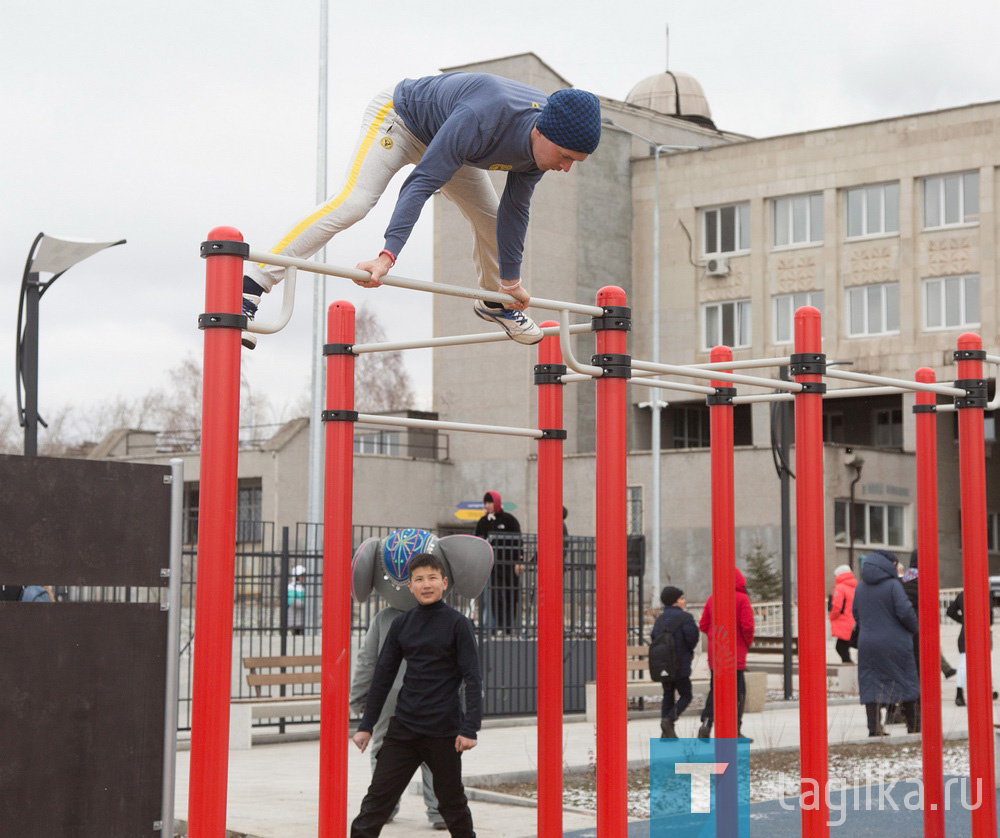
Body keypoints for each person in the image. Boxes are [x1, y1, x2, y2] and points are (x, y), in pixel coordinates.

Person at [241, 72, 603, 350]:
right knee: (356, 202)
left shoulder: (541, 153)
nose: (566, 168)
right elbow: (421, 182)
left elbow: (514, 213)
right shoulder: (484, 117)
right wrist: (387, 256)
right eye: (566, 157)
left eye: (576, 162)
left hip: (454, 143)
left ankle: (495, 302)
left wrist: (510, 282)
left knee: (492, 219)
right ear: (541, 131)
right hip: (401, 120)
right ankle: (253, 282)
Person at [351, 552, 482, 837]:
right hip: (404, 730)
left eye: (432, 578)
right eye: (419, 579)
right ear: (409, 586)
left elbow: (473, 678)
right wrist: (366, 726)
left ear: (444, 583)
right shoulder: (401, 624)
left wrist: (470, 728)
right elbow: (382, 677)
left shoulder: (458, 624)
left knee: (453, 807)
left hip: (444, 732)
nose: (426, 584)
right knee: (374, 805)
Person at [350, 605, 445, 830]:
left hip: (389, 693)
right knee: (434, 747)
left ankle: (385, 807)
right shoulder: (444, 616)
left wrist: (357, 695)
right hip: (430, 692)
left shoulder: (384, 617)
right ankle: (439, 810)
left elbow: (367, 659)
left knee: (384, 748)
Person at [852, 549, 920, 736]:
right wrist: (914, 628)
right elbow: (905, 612)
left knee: (871, 683)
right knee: (906, 681)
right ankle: (913, 726)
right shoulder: (893, 585)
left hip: (867, 643)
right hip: (896, 642)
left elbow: (856, 614)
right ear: (889, 565)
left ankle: (874, 729)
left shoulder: (860, 586)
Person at [697, 567, 756, 741]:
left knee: (715, 690)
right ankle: (735, 729)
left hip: (717, 655)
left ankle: (707, 723)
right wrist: (746, 642)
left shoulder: (712, 599)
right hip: (735, 655)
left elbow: (703, 625)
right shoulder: (742, 599)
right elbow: (747, 626)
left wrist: (715, 638)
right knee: (738, 692)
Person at [650, 586, 700, 738]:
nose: (684, 601)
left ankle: (666, 732)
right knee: (686, 695)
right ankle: (669, 719)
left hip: (664, 665)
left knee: (668, 695)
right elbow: (693, 638)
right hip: (680, 664)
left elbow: (654, 637)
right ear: (674, 601)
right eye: (682, 598)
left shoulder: (660, 619)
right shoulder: (686, 618)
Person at [474, 491, 524, 634]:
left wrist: (519, 561)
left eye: (490, 502)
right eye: (486, 503)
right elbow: (478, 540)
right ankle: (499, 625)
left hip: (509, 565)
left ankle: (509, 626)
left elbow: (519, 540)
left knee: (511, 595)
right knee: (496, 595)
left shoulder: (509, 519)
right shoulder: (483, 522)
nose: (488, 506)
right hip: (492, 566)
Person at [946, 589, 996, 707]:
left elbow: (950, 611)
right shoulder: (985, 594)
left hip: (965, 633)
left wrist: (964, 621)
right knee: (983, 663)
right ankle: (986, 690)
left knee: (963, 663)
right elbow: (990, 617)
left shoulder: (962, 595)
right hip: (981, 633)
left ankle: (959, 693)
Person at [829, 564, 857, 663]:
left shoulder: (839, 587)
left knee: (841, 648)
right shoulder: (855, 586)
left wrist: (831, 616)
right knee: (843, 647)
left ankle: (848, 670)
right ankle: (849, 666)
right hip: (852, 620)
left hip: (843, 621)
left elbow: (837, 606)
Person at [287, 565, 306, 634]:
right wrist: (306, 604)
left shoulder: (304, 586)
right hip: (294, 615)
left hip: (303, 616)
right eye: (302, 576)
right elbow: (291, 601)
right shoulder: (291, 586)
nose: (304, 578)